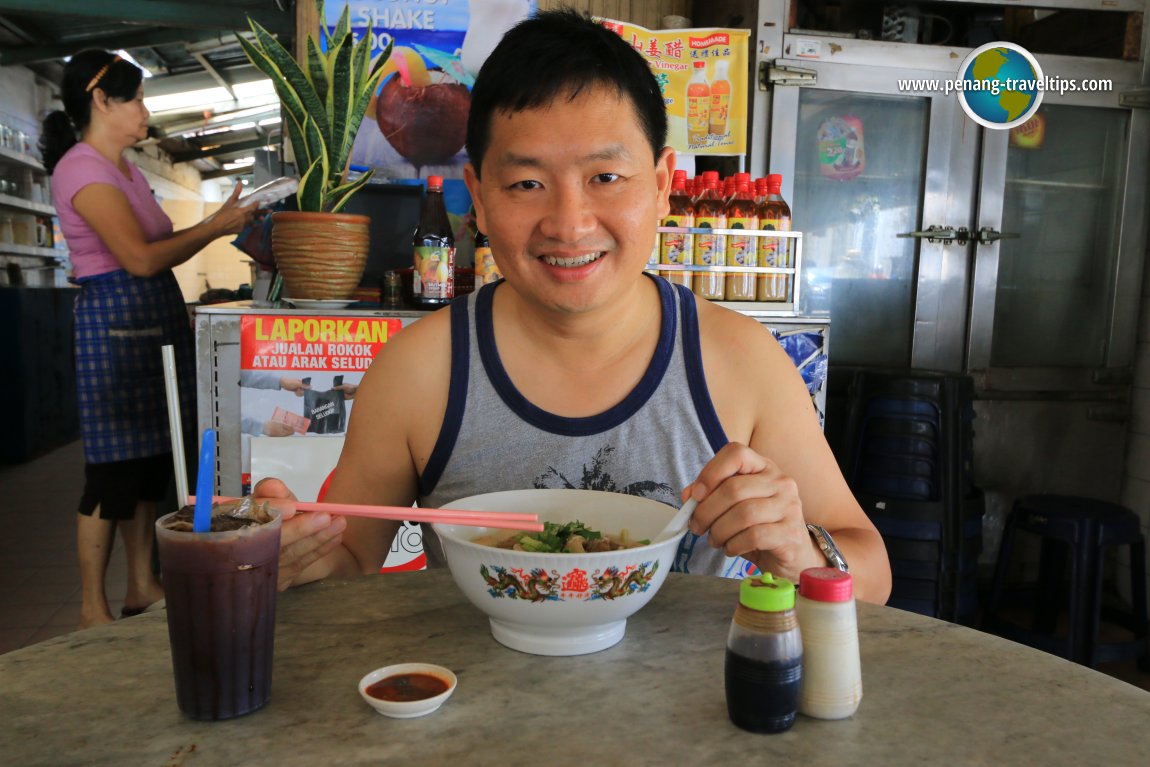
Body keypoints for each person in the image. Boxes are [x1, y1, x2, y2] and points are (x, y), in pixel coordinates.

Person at [258, 10, 892, 603]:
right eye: (527, 183)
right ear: (478, 197)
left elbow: (873, 574)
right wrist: (296, 556)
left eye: (606, 178)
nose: (569, 223)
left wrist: (800, 550)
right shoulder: (418, 372)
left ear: (664, 184)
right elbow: (345, 567)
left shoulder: (742, 361)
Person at [40, 49, 258, 628]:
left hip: (150, 316)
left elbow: (154, 252)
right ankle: (92, 607)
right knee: (111, 470)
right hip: (114, 320)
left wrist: (219, 226)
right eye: (134, 97)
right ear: (100, 100)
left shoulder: (127, 168)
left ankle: (142, 584)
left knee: (149, 462)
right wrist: (213, 227)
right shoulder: (82, 168)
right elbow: (137, 259)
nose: (144, 109)